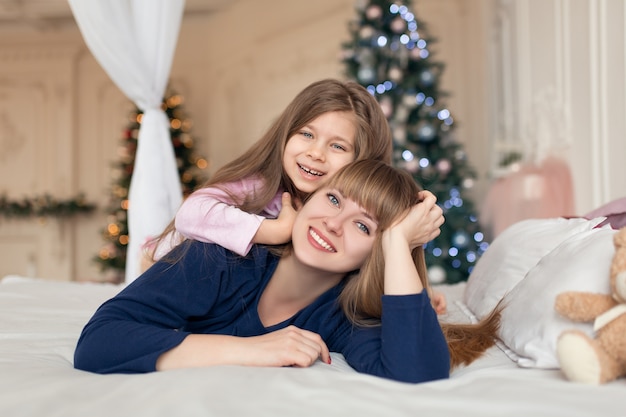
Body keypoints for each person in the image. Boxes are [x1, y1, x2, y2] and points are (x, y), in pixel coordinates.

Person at [75, 160, 500, 383]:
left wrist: (396, 244)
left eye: (363, 225)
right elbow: (98, 343)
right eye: (334, 200)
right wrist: (252, 351)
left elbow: (418, 372)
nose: (333, 224)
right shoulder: (217, 258)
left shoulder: (344, 314)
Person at [142, 78, 392, 266]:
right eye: (306, 134)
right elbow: (190, 214)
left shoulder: (344, 213)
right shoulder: (262, 184)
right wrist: (274, 230)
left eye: (337, 146)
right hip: (162, 270)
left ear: (362, 160)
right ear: (285, 134)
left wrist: (418, 289)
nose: (316, 153)